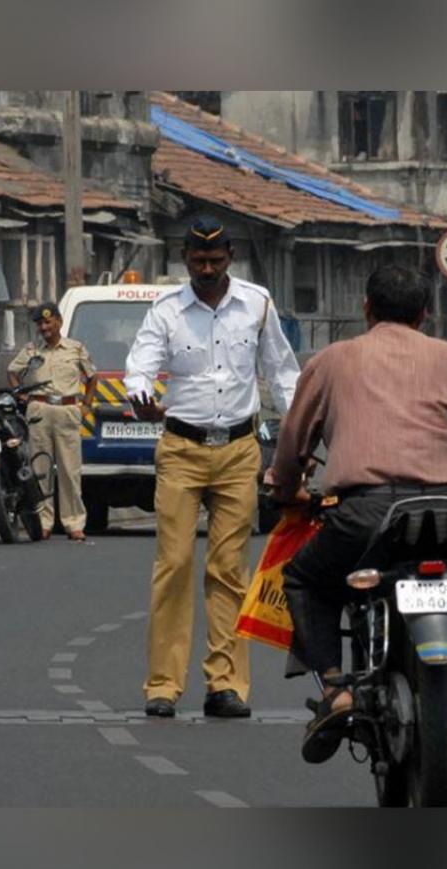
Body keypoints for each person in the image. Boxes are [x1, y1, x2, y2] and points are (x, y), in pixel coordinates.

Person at [267, 264, 447, 762]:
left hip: (363, 517)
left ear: (366, 308)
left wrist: (286, 489)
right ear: (426, 313)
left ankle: (336, 690)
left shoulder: (332, 361)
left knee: (304, 580)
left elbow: (293, 445)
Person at [124, 215, 299, 719]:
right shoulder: (166, 310)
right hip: (181, 449)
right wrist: (141, 395)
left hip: (239, 450)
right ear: (184, 259)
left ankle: (226, 684)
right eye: (198, 261)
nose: (206, 268)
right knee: (175, 566)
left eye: (215, 260)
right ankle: (163, 685)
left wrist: (299, 430)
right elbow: (141, 365)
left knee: (228, 571)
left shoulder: (257, 305)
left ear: (230, 258)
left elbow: (282, 374)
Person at [7, 303, 97, 541]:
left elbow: (92, 376)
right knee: (40, 469)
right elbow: (12, 371)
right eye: (40, 324)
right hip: (39, 409)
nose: (44, 328)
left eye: (48, 322)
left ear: (59, 321)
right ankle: (43, 522)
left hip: (67, 408)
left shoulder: (75, 349)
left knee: (70, 469)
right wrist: (21, 394)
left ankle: (73, 522)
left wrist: (86, 405)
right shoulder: (31, 350)